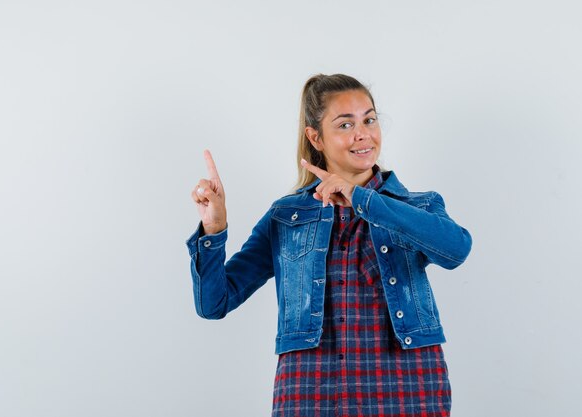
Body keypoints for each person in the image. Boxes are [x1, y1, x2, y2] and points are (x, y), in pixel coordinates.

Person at [187, 73, 472, 417]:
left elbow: (456, 249)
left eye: (369, 120)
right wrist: (213, 229)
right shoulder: (287, 216)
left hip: (406, 385)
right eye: (345, 124)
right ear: (315, 138)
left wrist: (361, 198)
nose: (362, 133)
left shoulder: (416, 206)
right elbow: (214, 302)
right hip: (312, 390)